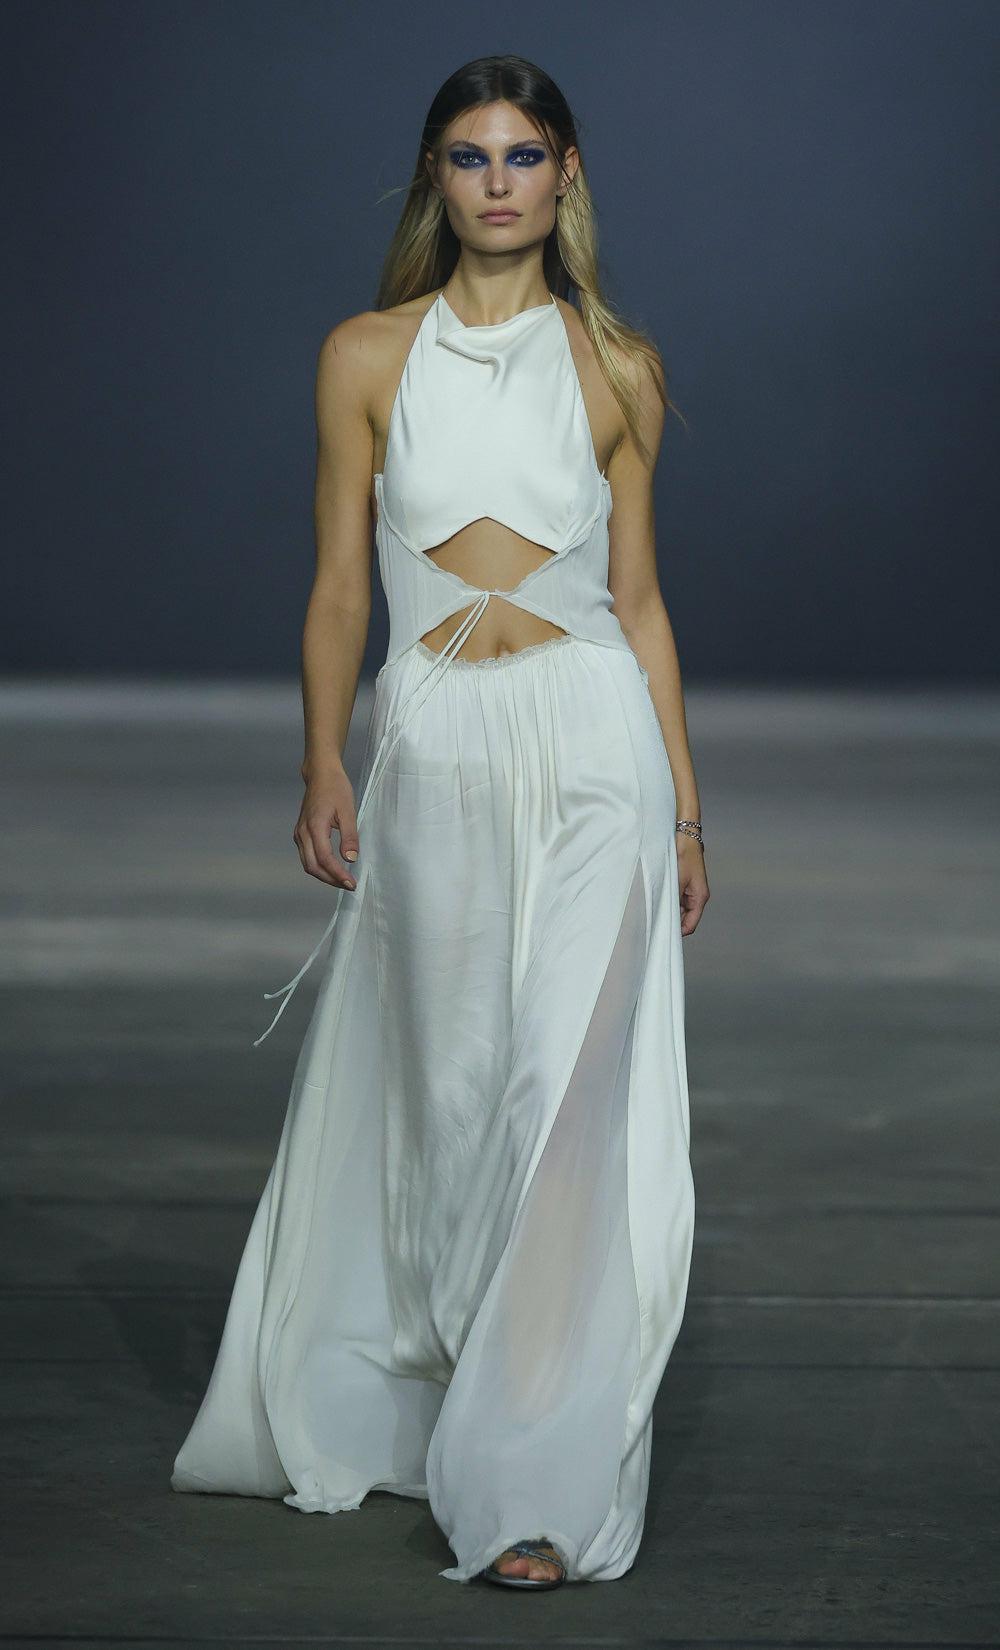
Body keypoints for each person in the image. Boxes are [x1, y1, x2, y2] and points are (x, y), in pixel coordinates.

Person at [170, 52, 709, 1591]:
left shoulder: (618, 366)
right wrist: (320, 762)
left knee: (562, 1094)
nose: (497, 183)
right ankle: (443, 1381)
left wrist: (684, 807)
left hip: (594, 743)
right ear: (435, 177)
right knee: (456, 1085)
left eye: (523, 155)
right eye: (471, 157)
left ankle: (532, 1482)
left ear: (566, 174)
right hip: (436, 747)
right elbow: (342, 585)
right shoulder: (365, 356)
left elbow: (639, 602)